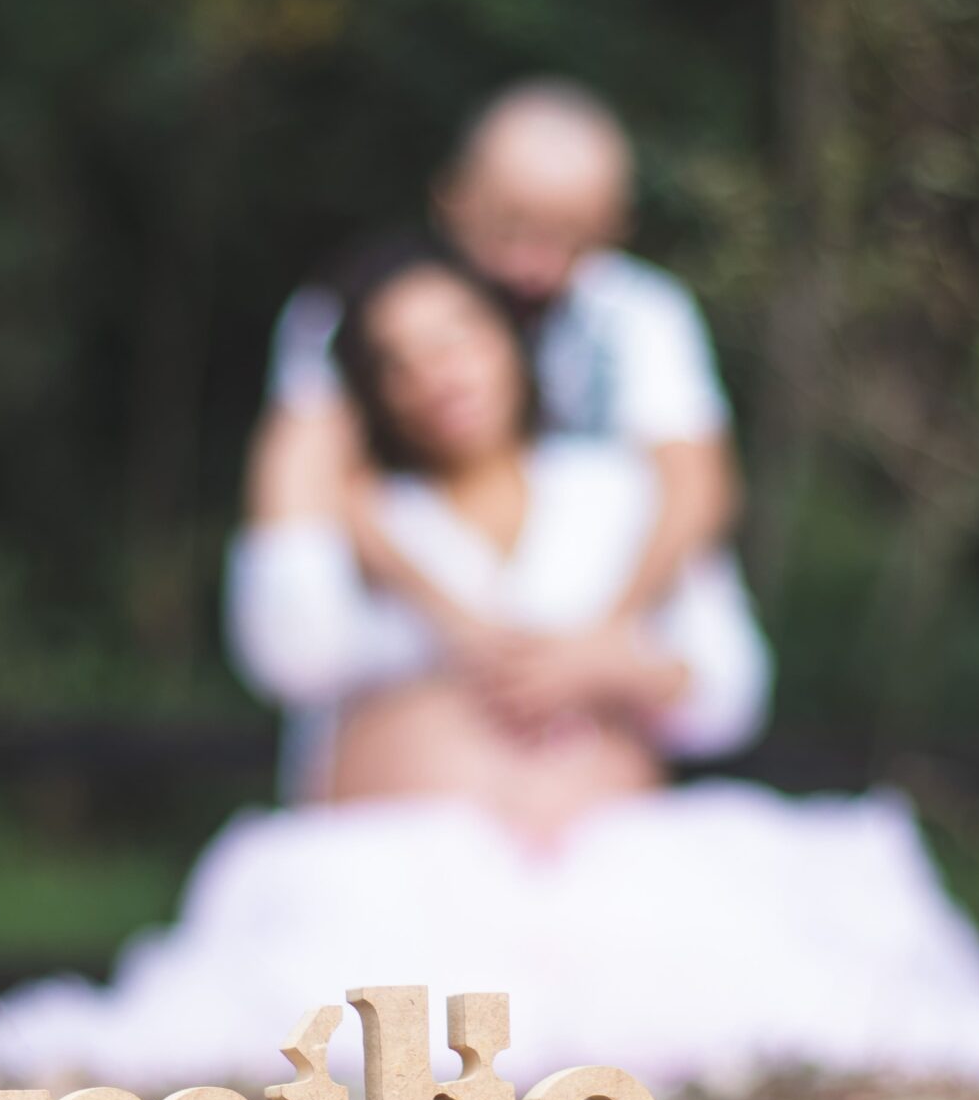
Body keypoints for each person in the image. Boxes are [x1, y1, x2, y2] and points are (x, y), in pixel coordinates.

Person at [0, 239, 979, 1098]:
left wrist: (603, 661)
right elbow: (290, 650)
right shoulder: (364, 516)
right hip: (387, 881)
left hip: (618, 870)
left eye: (453, 334)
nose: (434, 372)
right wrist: (309, 476)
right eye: (392, 362)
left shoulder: (618, 494)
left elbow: (723, 688)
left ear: (509, 341)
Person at [248, 80, 738, 799]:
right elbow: (306, 498)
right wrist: (451, 616)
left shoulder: (641, 321)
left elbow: (697, 492)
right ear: (452, 198)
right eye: (510, 228)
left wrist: (598, 646)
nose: (533, 265)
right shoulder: (352, 307)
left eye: (573, 237)